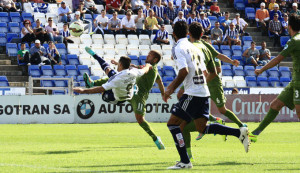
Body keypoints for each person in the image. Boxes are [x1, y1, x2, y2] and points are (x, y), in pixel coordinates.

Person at [164, 21, 250, 170]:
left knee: (173, 124)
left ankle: (185, 161)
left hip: (192, 93)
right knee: (202, 128)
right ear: (187, 33)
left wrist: (170, 88)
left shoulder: (179, 47)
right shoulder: (196, 48)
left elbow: (183, 71)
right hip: (203, 92)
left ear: (174, 35)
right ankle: (239, 132)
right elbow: (206, 73)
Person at [83, 50, 166, 149]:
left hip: (139, 96)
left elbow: (155, 78)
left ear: (155, 59)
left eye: (150, 55)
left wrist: (163, 94)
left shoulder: (150, 68)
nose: (147, 56)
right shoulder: (151, 68)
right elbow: (159, 81)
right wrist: (163, 94)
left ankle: (156, 139)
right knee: (118, 77)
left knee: (140, 119)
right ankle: (92, 83)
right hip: (131, 90)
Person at [249, 14, 300, 142]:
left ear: (289, 27)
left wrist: (261, 69)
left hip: (299, 82)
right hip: (295, 81)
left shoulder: (294, 41)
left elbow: (277, 59)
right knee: (275, 105)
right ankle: (256, 133)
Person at [73, 47, 152, 105]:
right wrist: (148, 65)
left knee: (108, 84)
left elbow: (100, 89)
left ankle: (92, 84)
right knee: (109, 71)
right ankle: (95, 55)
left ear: (120, 64)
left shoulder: (117, 78)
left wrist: (83, 91)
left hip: (115, 99)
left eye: (118, 64)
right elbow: (145, 70)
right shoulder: (135, 72)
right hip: (128, 96)